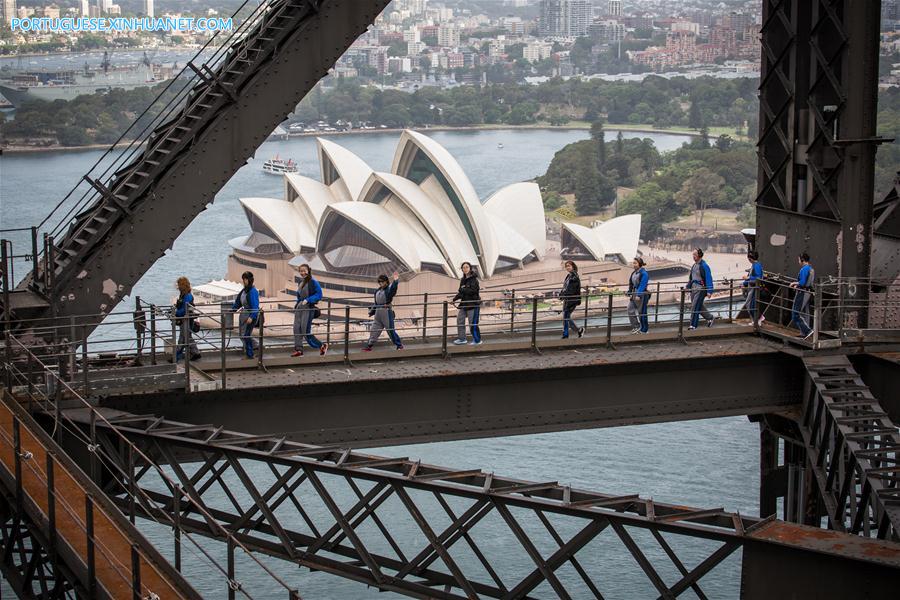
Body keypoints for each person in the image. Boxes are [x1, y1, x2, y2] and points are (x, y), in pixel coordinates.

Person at [290, 263, 327, 357]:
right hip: (300, 308)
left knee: (305, 330)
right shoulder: (301, 282)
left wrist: (308, 300)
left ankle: (321, 345)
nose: (302, 273)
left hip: (308, 308)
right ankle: (298, 350)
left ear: (308, 271)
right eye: (301, 271)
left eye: (304, 271)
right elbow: (299, 296)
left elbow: (319, 294)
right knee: (296, 328)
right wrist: (297, 304)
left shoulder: (313, 281)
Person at [364, 271, 403, 351]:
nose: (381, 283)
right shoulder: (377, 291)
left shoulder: (388, 290)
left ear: (386, 281)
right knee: (374, 330)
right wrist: (372, 312)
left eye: (382, 281)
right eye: (380, 282)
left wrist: (396, 281)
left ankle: (399, 345)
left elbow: (393, 289)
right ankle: (369, 345)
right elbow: (376, 303)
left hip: (386, 312)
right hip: (378, 314)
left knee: (390, 331)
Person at [452, 262, 482, 345]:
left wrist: (463, 289)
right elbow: (461, 292)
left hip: (472, 304)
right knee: (460, 320)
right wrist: (454, 299)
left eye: (467, 267)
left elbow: (474, 291)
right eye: (463, 267)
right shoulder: (463, 280)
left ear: (470, 268)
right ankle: (462, 339)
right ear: (462, 269)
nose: (465, 269)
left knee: (472, 323)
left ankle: (477, 340)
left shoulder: (474, 280)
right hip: (464, 304)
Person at [232, 271, 260, 358]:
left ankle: (252, 350)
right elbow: (238, 302)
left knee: (245, 335)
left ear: (249, 280)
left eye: (245, 279)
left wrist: (252, 317)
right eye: (243, 279)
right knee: (242, 334)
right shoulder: (244, 291)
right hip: (244, 314)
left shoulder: (253, 291)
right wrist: (233, 309)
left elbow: (255, 306)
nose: (244, 281)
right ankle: (252, 349)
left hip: (250, 315)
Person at [686, 248, 715, 330]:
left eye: (695, 255)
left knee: (695, 306)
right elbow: (691, 278)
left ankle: (693, 325)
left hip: (701, 289)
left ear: (699, 255)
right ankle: (710, 318)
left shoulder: (704, 266)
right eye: (693, 255)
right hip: (693, 288)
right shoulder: (694, 265)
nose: (693, 256)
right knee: (699, 306)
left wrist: (709, 291)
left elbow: (709, 278)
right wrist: (687, 287)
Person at [174, 276, 201, 362]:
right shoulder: (184, 295)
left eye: (179, 285)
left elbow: (185, 308)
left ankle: (178, 356)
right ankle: (194, 352)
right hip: (184, 319)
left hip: (186, 319)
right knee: (186, 337)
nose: (177, 287)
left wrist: (176, 313)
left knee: (184, 337)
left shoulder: (187, 296)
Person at [790, 252, 815, 338]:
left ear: (802, 259)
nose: (798, 261)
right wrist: (798, 284)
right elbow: (807, 283)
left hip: (802, 293)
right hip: (808, 292)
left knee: (795, 314)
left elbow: (803, 282)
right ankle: (804, 333)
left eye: (798, 259)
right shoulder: (811, 269)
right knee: (805, 313)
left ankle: (807, 331)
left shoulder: (804, 269)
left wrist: (794, 283)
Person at [560, 260, 584, 339]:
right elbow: (565, 287)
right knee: (566, 317)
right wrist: (561, 294)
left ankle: (567, 334)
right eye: (566, 266)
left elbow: (571, 290)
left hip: (572, 300)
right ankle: (577, 330)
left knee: (566, 317)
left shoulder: (574, 277)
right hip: (567, 299)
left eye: (569, 266)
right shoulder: (569, 276)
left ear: (573, 266)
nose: (567, 267)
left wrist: (563, 294)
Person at [627, 257, 650, 334]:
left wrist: (638, 295)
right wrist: (629, 292)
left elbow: (642, 285)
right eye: (633, 263)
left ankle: (644, 329)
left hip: (642, 294)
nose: (633, 265)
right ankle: (636, 326)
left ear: (640, 264)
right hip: (634, 294)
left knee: (642, 312)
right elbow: (631, 283)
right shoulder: (634, 273)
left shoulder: (644, 273)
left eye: (635, 263)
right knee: (630, 309)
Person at [742, 251, 764, 324]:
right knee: (751, 305)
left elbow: (758, 278)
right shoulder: (755, 265)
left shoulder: (756, 266)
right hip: (752, 287)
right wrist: (744, 283)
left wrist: (747, 278)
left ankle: (758, 318)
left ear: (750, 258)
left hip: (754, 288)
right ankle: (756, 321)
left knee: (750, 305)